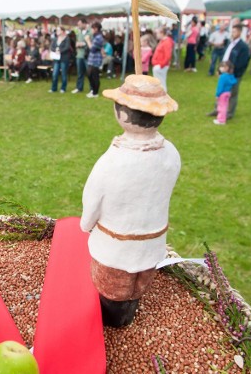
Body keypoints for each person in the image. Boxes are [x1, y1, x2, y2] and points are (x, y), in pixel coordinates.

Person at [81, 74, 180, 327]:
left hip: (115, 244)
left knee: (113, 288)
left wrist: (86, 224)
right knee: (137, 285)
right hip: (152, 241)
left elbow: (92, 200)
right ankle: (125, 317)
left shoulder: (113, 161)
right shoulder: (171, 154)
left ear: (123, 115)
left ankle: (110, 324)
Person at [208, 24, 250, 119]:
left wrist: (232, 72)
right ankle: (217, 109)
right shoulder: (230, 43)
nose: (232, 33)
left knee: (232, 93)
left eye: (234, 31)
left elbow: (242, 63)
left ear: (239, 32)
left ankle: (229, 113)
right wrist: (220, 70)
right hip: (225, 72)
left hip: (233, 74)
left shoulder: (243, 47)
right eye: (232, 31)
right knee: (221, 91)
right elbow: (225, 57)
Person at [212, 61, 237, 125]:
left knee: (221, 107)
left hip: (222, 94)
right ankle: (222, 118)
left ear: (226, 68)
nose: (221, 68)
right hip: (228, 92)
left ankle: (221, 120)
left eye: (223, 66)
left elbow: (220, 87)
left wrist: (217, 95)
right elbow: (234, 81)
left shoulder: (223, 77)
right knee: (225, 106)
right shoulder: (231, 76)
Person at [49, 26, 72, 94]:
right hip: (56, 58)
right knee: (55, 74)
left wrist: (60, 51)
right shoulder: (55, 39)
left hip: (64, 58)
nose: (57, 31)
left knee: (63, 74)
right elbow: (52, 47)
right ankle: (53, 88)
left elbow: (67, 47)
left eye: (58, 30)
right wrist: (55, 50)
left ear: (62, 31)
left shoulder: (67, 38)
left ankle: (63, 88)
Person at [85, 22, 104, 98]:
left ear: (96, 28)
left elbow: (92, 49)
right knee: (89, 75)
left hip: (96, 59)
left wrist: (87, 40)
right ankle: (93, 90)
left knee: (94, 75)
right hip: (92, 59)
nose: (91, 30)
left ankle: (95, 92)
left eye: (92, 28)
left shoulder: (99, 37)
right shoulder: (96, 36)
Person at [151, 27, 174, 92]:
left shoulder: (167, 42)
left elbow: (168, 56)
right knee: (159, 82)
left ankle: (163, 96)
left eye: (157, 33)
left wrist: (161, 65)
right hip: (159, 65)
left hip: (161, 65)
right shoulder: (162, 41)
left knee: (161, 83)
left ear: (162, 33)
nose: (156, 35)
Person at [73, 18, 89, 93]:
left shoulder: (90, 31)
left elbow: (90, 42)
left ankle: (92, 89)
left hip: (87, 55)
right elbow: (77, 42)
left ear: (84, 23)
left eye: (79, 24)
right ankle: (79, 88)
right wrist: (78, 44)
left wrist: (83, 44)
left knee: (89, 73)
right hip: (79, 55)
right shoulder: (79, 32)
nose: (78, 25)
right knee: (80, 73)